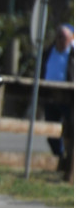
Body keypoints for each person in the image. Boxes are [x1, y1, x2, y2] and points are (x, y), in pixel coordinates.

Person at [40, 23, 74, 169]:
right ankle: (59, 158)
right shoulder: (48, 52)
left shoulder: (73, 54)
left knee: (71, 129)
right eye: (59, 37)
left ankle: (70, 161)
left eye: (64, 37)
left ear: (71, 39)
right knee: (51, 130)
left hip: (69, 98)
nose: (61, 40)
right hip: (50, 97)